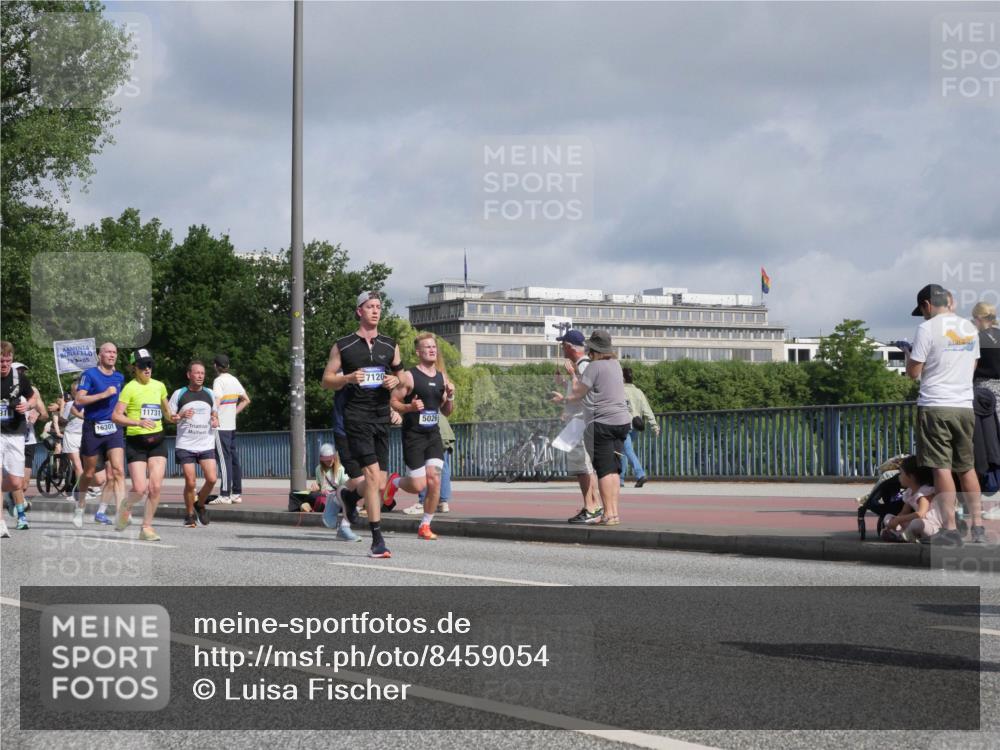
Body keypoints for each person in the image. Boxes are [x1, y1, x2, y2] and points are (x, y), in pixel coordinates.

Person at [321, 290, 403, 559]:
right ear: (359, 311)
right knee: (370, 476)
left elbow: (403, 380)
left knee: (379, 485)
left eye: (379, 306)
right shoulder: (343, 345)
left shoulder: (390, 345)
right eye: (370, 306)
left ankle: (347, 497)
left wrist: (396, 382)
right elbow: (326, 380)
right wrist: (348, 379)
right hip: (356, 417)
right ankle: (377, 540)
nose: (376, 311)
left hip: (381, 418)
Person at [904, 283, 985, 545]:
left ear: (927, 305)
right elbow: (971, 366)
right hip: (964, 406)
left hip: (936, 405)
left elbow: (914, 372)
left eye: (923, 310)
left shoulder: (926, 328)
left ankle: (949, 528)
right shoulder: (969, 328)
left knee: (942, 468)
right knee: (967, 468)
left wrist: (908, 354)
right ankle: (978, 527)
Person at [551, 330, 632, 525]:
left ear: (594, 349)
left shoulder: (593, 367)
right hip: (621, 422)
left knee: (603, 471)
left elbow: (579, 393)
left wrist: (566, 389)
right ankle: (613, 513)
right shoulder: (616, 365)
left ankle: (606, 514)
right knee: (613, 471)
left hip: (600, 423)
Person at [384, 332, 455, 540]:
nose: (432, 350)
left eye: (434, 347)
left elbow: (447, 411)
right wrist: (410, 406)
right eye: (427, 347)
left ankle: (425, 525)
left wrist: (450, 397)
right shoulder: (409, 376)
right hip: (413, 435)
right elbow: (393, 401)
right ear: (418, 352)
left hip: (433, 434)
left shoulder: (442, 376)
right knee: (418, 485)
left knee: (434, 479)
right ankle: (395, 482)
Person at [112, 349, 172, 541]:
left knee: (155, 487)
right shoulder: (129, 388)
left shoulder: (160, 386)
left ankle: (146, 528)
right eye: (142, 365)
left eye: (150, 365)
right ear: (134, 368)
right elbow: (116, 416)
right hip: (136, 442)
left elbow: (168, 414)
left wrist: (177, 417)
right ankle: (125, 508)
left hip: (157, 441)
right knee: (139, 489)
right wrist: (137, 422)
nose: (147, 369)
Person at [73, 342, 127, 529]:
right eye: (108, 352)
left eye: (114, 352)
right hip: (93, 428)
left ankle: (120, 513)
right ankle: (80, 506)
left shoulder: (120, 377)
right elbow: (79, 400)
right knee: (88, 473)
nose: (112, 355)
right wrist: (103, 394)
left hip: (113, 429)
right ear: (99, 355)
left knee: (118, 471)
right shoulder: (89, 375)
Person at [552, 330, 602, 524]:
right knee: (585, 467)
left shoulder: (583, 367)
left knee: (583, 468)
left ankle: (591, 508)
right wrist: (565, 381)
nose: (562, 348)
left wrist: (564, 395)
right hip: (580, 421)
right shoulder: (584, 366)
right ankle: (594, 506)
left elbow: (580, 394)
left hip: (581, 422)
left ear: (570, 347)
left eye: (563, 345)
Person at [168, 360, 218, 528]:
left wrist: (215, 419)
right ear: (189, 375)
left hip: (206, 442)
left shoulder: (210, 393)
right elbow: (169, 417)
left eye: (202, 373)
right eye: (196, 373)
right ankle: (189, 514)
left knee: (211, 479)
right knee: (191, 482)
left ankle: (200, 504)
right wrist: (181, 416)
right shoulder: (179, 393)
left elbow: (215, 413)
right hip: (186, 444)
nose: (200, 376)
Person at [1, 343, 37, 533]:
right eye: (1, 361)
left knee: (17, 482)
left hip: (17, 434)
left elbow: (34, 400)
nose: (5, 364)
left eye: (8, 361)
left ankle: (14, 507)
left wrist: (29, 407)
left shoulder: (21, 379)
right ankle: (8, 521)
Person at [212, 354, 250, 504]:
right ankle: (236, 493)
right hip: (232, 425)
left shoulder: (218, 381)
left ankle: (225, 494)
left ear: (215, 366)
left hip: (221, 427)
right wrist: (233, 412)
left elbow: (217, 400)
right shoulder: (234, 380)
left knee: (223, 459)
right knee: (233, 459)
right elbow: (246, 400)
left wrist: (214, 415)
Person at [62, 379, 106, 506]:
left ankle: (89, 488)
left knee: (88, 467)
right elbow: (63, 420)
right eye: (76, 390)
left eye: (80, 390)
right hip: (71, 436)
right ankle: (81, 493)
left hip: (85, 436)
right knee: (77, 466)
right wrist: (60, 410)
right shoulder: (70, 405)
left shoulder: (89, 404)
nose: (78, 392)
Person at [405, 413, 454, 515]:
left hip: (431, 430)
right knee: (442, 466)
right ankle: (443, 502)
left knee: (424, 465)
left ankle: (423, 502)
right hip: (444, 430)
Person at [882, 456, 940, 542]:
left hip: (931, 525)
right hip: (916, 524)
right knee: (888, 517)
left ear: (911, 477)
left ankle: (901, 535)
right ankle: (900, 533)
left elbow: (920, 514)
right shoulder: (909, 492)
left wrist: (898, 520)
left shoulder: (924, 492)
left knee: (916, 523)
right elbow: (904, 512)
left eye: (901, 473)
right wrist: (893, 521)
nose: (899, 476)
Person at [620, 367, 661, 489]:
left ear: (622, 378)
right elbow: (647, 410)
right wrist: (655, 425)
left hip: (623, 424)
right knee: (624, 451)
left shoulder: (619, 391)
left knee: (627, 450)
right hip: (636, 425)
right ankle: (620, 480)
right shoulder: (639, 392)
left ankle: (640, 474)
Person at [313, 442, 360, 541]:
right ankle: (342, 528)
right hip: (328, 498)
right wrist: (318, 487)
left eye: (330, 459)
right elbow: (321, 484)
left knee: (350, 501)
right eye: (325, 460)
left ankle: (344, 527)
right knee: (329, 522)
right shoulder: (318, 469)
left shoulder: (341, 469)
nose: (328, 462)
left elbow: (345, 486)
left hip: (339, 495)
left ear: (335, 457)